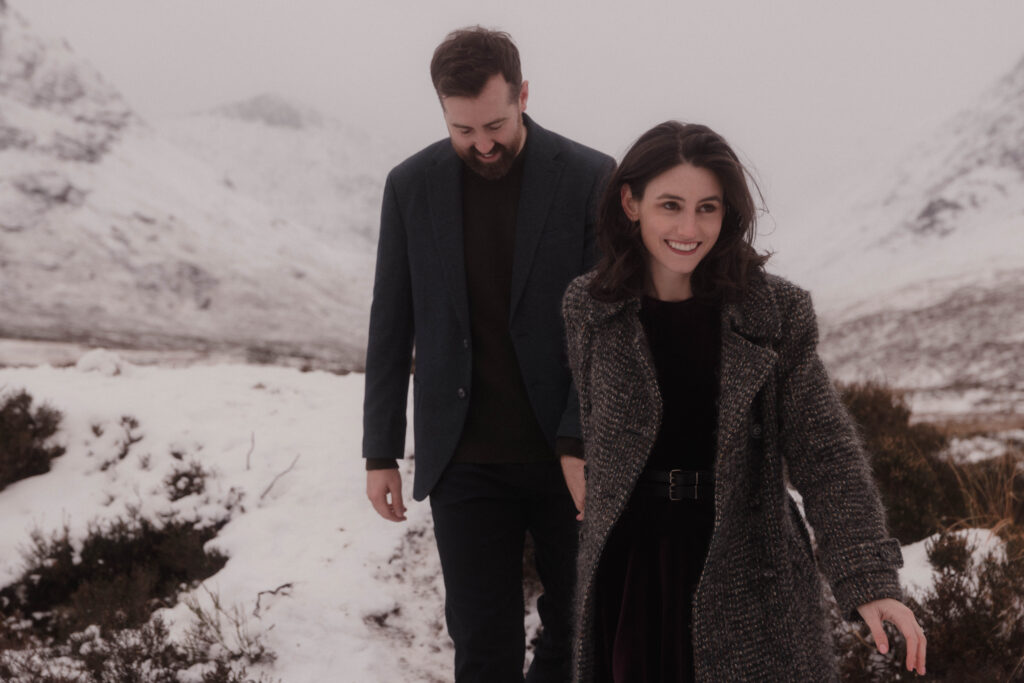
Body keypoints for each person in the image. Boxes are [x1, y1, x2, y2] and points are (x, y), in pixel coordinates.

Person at [560, 121, 927, 682]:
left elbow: (826, 451)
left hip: (747, 564)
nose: (689, 227)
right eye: (671, 205)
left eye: (708, 207)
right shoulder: (591, 309)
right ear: (631, 203)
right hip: (630, 571)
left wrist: (869, 581)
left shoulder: (775, 312)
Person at [362, 26, 614, 683]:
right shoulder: (409, 185)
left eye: (495, 124)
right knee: (482, 645)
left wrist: (579, 438)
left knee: (581, 633)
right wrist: (380, 450)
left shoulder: (590, 176)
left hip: (570, 456)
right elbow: (391, 322)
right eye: (462, 129)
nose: (482, 143)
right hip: (463, 459)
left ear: (523, 93)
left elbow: (607, 328)